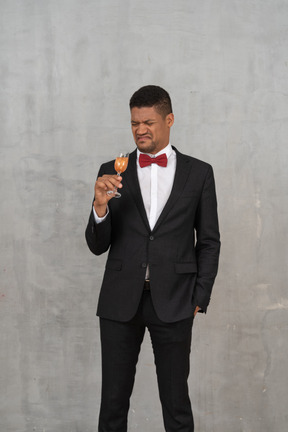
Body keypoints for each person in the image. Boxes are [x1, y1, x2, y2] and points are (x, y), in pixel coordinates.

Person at [85, 85, 220, 432]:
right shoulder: (112, 170)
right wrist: (99, 206)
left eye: (148, 122)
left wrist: (199, 297)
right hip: (119, 300)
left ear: (169, 119)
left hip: (176, 300)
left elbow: (208, 241)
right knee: (113, 404)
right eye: (134, 123)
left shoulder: (199, 173)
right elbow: (98, 245)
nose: (140, 130)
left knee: (176, 404)